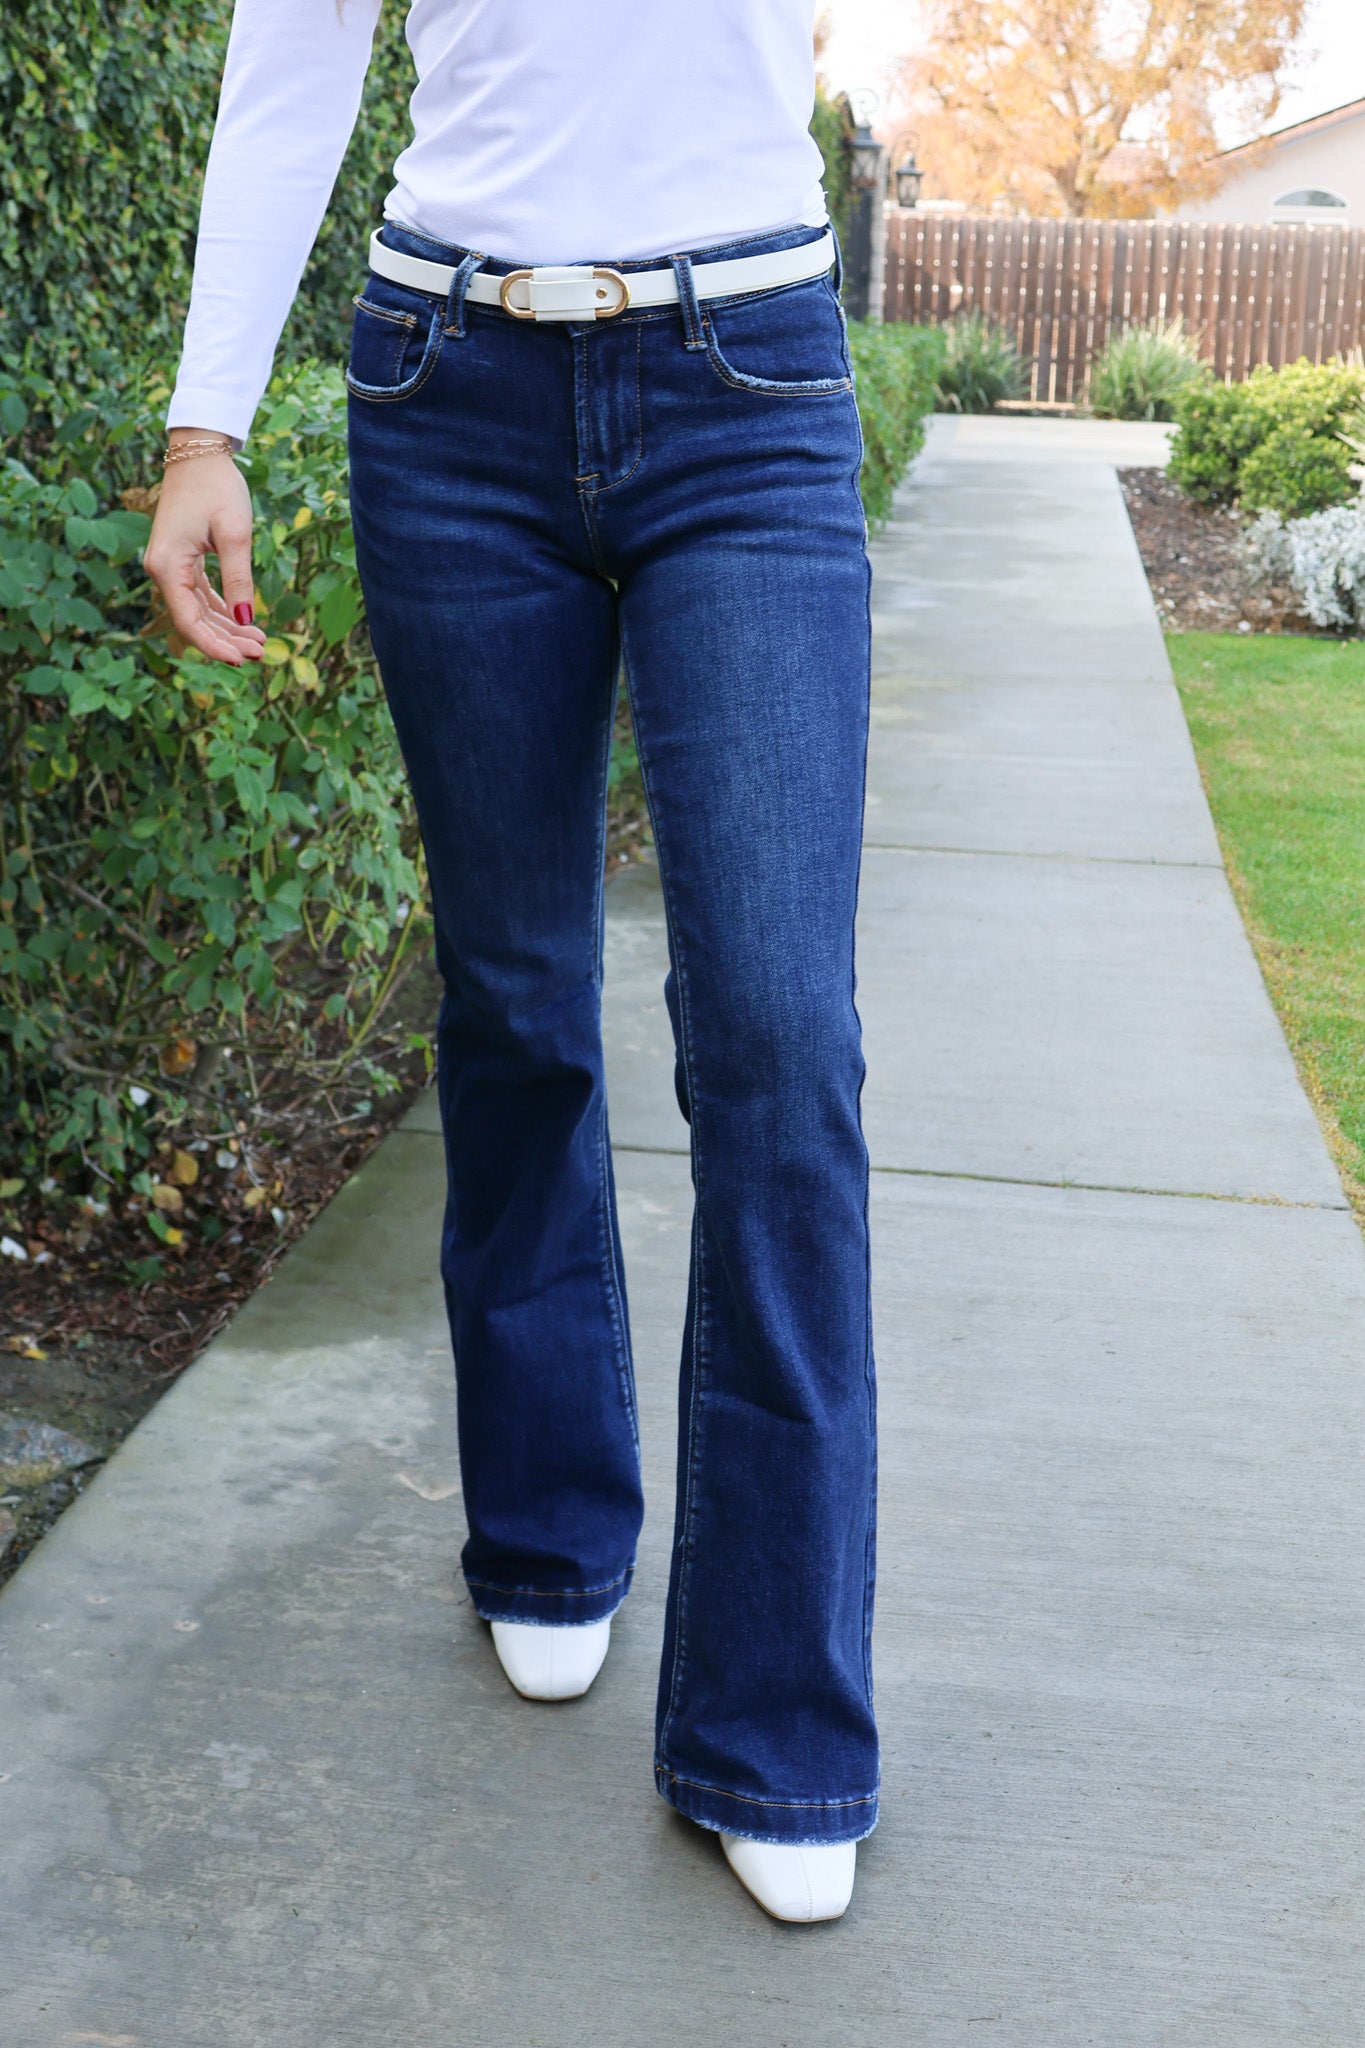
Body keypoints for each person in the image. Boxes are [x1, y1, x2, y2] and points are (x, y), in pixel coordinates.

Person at [146, 0, 878, 1925]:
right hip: (446, 387)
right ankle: (550, 1531)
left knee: (781, 1044)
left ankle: (778, 1722)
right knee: (515, 1002)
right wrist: (206, 424)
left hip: (745, 381)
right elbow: (293, 54)